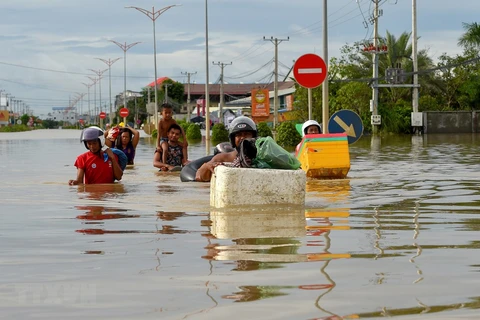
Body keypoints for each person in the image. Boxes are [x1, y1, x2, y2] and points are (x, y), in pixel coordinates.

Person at [195, 116, 258, 182]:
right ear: (233, 139)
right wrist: (207, 167)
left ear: (254, 137)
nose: (242, 137)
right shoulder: (223, 158)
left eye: (247, 134)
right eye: (238, 135)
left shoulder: (262, 156)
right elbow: (198, 176)